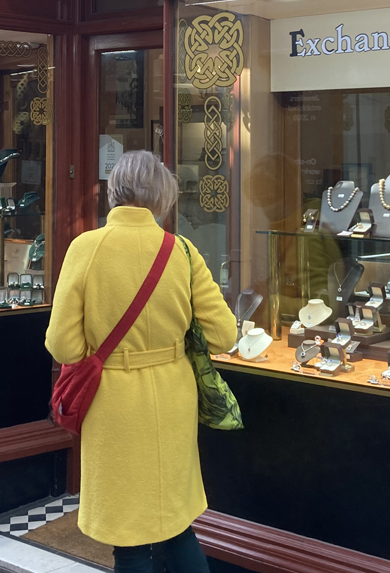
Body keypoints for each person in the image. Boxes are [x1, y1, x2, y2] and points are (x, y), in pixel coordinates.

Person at [46, 150, 237, 573]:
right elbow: (224, 335)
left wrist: (97, 351)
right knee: (175, 525)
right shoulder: (182, 251)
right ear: (163, 197)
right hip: (173, 396)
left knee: (128, 540)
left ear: (113, 191)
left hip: (112, 402)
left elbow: (62, 345)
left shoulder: (86, 248)